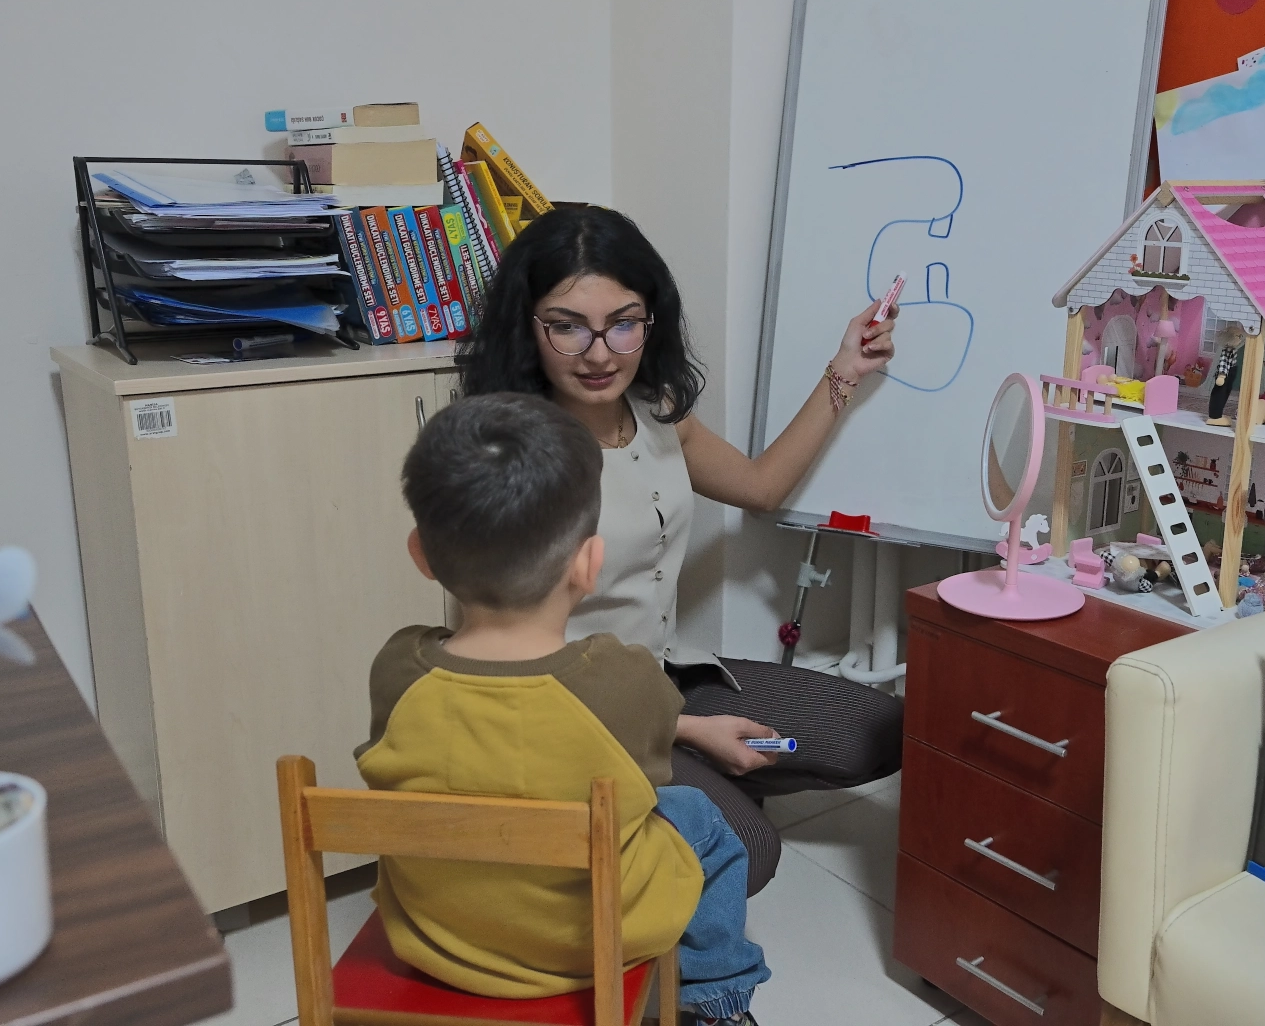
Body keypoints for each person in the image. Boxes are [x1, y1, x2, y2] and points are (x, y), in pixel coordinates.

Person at [458, 206, 905, 894]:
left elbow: (760, 487)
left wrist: (844, 369)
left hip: (665, 679)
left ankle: (700, 778)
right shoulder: (510, 458)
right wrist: (689, 730)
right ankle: (683, 778)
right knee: (747, 853)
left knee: (877, 732)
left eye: (623, 323)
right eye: (567, 326)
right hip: (574, 719)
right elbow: (516, 671)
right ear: (528, 325)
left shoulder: (654, 408)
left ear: (651, 319)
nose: (600, 353)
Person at [357, 392, 771, 1024]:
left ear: (422, 554)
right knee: (696, 815)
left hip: (443, 938)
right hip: (589, 943)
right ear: (589, 563)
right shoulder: (621, 680)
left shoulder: (395, 669)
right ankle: (718, 1003)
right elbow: (647, 781)